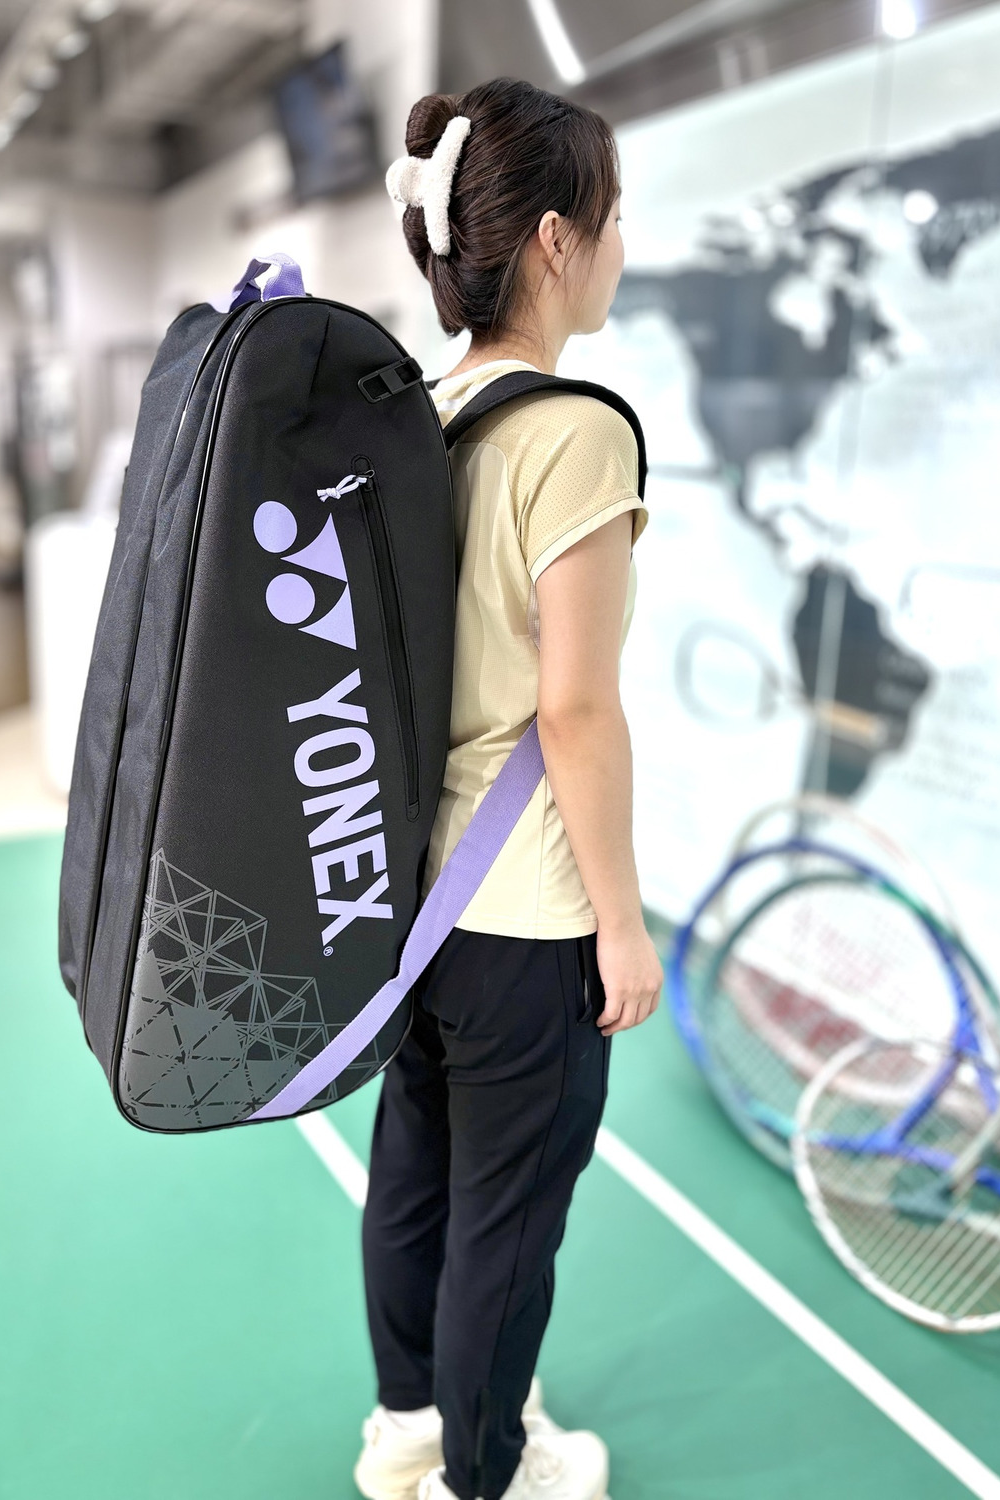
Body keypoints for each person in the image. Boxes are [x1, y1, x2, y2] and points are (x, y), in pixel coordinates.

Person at [353, 78, 662, 1500]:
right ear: (553, 238)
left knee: (416, 1180)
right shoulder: (577, 432)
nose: (620, 245)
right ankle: (486, 1479)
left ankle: (407, 1430)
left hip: (414, 899)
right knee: (508, 1221)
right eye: (612, 217)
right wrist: (623, 922)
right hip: (528, 907)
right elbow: (575, 708)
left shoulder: (419, 414)